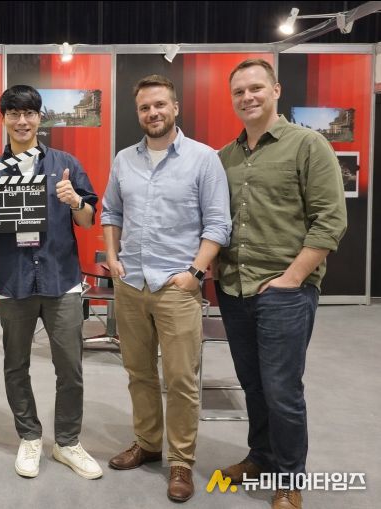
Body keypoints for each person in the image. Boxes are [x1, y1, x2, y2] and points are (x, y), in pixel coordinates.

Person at [216, 59, 347, 509]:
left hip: (285, 293)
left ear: (275, 90)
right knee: (252, 384)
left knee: (282, 390)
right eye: (239, 92)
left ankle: (289, 479)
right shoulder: (226, 156)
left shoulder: (308, 145)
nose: (247, 97)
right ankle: (261, 456)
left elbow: (330, 220)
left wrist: (292, 279)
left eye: (256, 88)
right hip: (233, 289)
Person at [101, 75, 231, 502]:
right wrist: (112, 257)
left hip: (177, 286)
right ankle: (148, 442)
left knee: (180, 379)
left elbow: (218, 224)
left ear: (175, 108)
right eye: (144, 107)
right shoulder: (124, 159)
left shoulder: (203, 159)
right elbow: (110, 211)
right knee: (138, 373)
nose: (152, 113)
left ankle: (181, 461)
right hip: (131, 283)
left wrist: (194, 272)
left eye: (160, 105)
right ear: (138, 113)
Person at [0, 85, 102, 480]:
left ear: (40, 118)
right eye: (14, 113)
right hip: (14, 283)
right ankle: (29, 436)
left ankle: (67, 442)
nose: (22, 121)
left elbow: (87, 220)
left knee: (70, 368)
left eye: (29, 113)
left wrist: (75, 201)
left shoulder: (65, 164)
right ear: (3, 119)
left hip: (62, 281)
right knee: (16, 366)